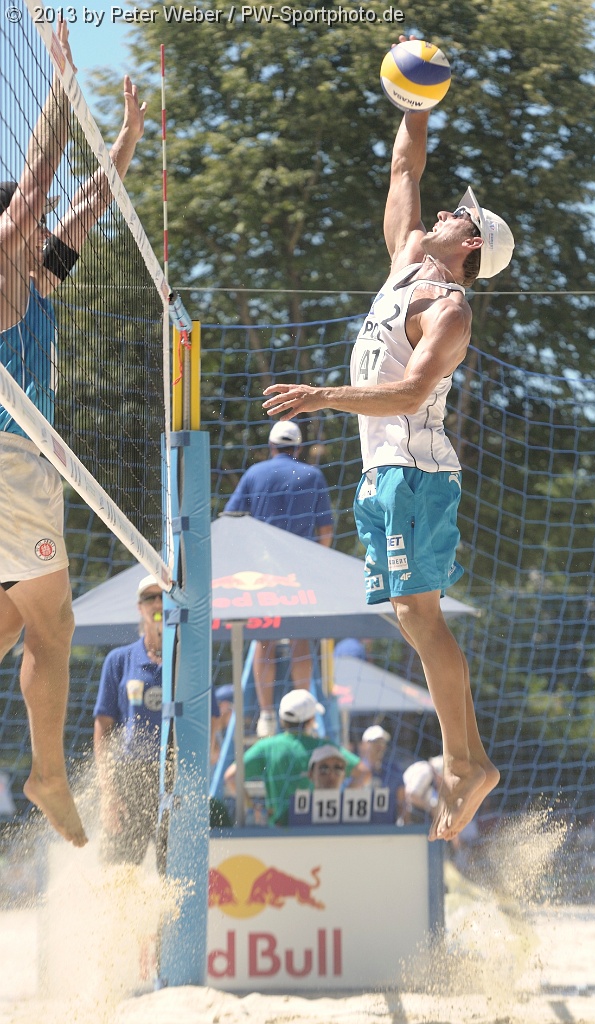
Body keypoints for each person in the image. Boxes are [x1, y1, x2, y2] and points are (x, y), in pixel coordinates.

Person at [262, 39, 511, 840]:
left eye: (459, 215)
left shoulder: (451, 311)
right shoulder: (407, 262)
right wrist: (415, 101)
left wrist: (322, 395)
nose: (444, 211)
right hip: (382, 473)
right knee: (409, 618)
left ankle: (465, 762)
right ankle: (471, 759)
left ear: (471, 245)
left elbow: (408, 392)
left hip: (414, 469)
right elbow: (405, 172)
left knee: (419, 613)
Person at [0, 20, 146, 847]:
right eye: (32, 217)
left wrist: (121, 144)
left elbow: (82, 204)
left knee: (16, 625)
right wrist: (60, 83)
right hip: (12, 467)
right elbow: (38, 180)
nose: (47, 217)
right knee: (54, 627)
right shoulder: (0, 268)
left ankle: (46, 771)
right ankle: (48, 773)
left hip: (18, 470)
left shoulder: (33, 281)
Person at [93, 576, 221, 866]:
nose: (157, 602)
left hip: (176, 775)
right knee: (118, 872)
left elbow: (212, 718)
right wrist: (108, 793)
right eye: (149, 598)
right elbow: (102, 729)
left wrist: (198, 767)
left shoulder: (190, 660)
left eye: (162, 596)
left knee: (175, 871)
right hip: (131, 776)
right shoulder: (120, 660)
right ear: (140, 608)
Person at [223, 420, 334, 738]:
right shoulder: (313, 475)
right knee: (301, 640)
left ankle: (267, 716)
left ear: (271, 446)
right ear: (298, 448)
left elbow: (231, 520)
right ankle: (307, 710)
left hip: (261, 573)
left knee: (264, 639)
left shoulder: (253, 475)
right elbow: (325, 532)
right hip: (299, 573)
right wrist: (314, 563)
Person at [223, 688, 368, 826]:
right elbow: (364, 773)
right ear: (311, 720)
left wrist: (253, 807)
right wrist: (340, 801)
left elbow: (231, 776)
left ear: (282, 720)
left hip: (278, 829)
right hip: (319, 826)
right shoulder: (325, 747)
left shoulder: (268, 746)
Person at [359, 724, 405, 821]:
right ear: (364, 745)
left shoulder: (394, 770)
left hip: (388, 829)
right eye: (375, 742)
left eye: (382, 742)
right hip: (360, 828)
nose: (380, 746)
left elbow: (402, 802)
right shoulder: (356, 770)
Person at [402, 755, 443, 827]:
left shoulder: (431, 777)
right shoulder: (426, 771)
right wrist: (430, 808)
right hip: (407, 809)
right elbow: (411, 795)